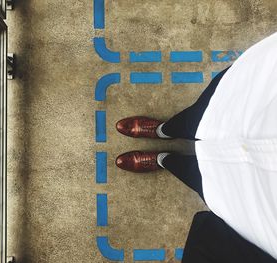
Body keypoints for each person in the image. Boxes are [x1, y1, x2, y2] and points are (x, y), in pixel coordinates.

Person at [115, 31, 277, 262]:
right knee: (211, 113)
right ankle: (166, 129)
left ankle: (165, 159)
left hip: (259, 208)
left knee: (213, 185)